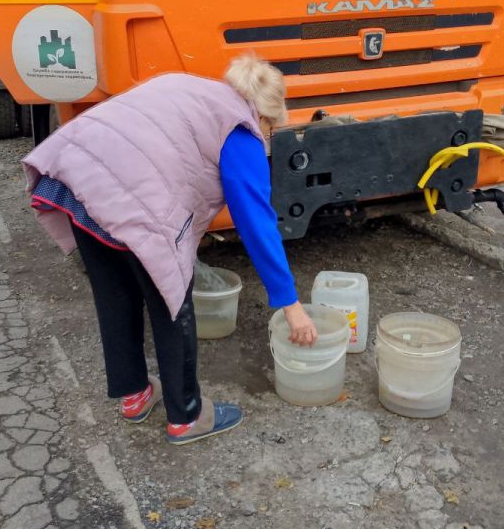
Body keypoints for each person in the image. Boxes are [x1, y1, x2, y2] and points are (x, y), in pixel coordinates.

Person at [22, 55, 317, 445]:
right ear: (266, 116)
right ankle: (186, 416)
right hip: (125, 199)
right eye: (270, 128)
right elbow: (257, 225)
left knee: (116, 296)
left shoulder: (189, 87)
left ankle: (135, 396)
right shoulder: (240, 131)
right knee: (171, 297)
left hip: (76, 182)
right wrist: (291, 306)